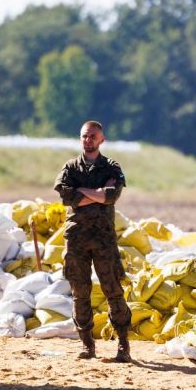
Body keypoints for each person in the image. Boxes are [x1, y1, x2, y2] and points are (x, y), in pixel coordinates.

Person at [54, 120, 132, 362]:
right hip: (77, 239)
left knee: (113, 291)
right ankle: (87, 345)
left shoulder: (111, 167)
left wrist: (84, 192)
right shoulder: (70, 167)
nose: (88, 141)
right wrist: (96, 192)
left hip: (103, 240)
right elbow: (67, 196)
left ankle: (123, 345)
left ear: (102, 140)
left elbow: (110, 197)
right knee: (80, 293)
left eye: (93, 137)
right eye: (85, 136)